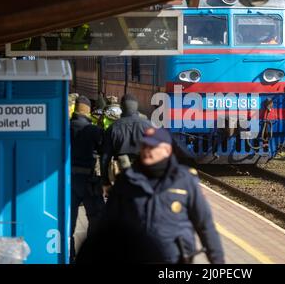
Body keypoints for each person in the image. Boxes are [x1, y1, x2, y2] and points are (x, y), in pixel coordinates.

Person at [76, 128, 225, 264]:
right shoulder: (127, 180)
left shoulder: (185, 180)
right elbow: (107, 223)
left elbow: (205, 225)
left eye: (153, 147)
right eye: (144, 146)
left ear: (167, 150)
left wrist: (217, 262)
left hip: (175, 258)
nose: (147, 150)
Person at [69, 96, 105, 263]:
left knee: (69, 218)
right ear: (88, 111)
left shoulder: (65, 127)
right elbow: (103, 151)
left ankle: (69, 253)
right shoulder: (93, 130)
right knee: (96, 217)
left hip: (68, 181)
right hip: (89, 181)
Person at [100, 94, 152, 186]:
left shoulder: (113, 127)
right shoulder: (148, 126)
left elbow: (105, 157)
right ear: (136, 108)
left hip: (120, 172)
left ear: (122, 108)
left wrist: (105, 181)